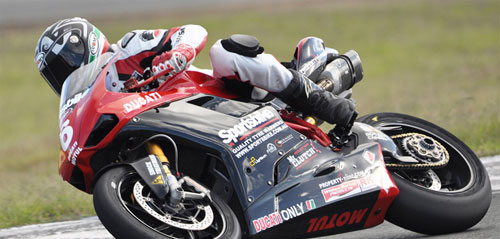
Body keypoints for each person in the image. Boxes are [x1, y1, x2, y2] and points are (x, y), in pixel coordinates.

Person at [35, 17, 356, 130]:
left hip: (226, 97)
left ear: (87, 42)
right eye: (57, 71)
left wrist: (178, 54)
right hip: (196, 127)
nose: (67, 71)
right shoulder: (93, 102)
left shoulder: (128, 48)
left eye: (68, 59)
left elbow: (191, 31)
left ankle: (320, 101)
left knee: (224, 51)